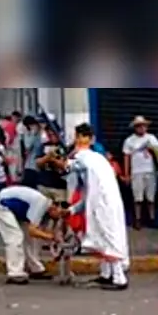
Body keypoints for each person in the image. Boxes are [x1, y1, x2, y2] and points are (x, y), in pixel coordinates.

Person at [63, 123, 131, 290]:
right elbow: (87, 193)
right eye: (78, 136)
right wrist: (71, 210)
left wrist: (60, 159)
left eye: (82, 136)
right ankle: (106, 274)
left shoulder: (87, 157)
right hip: (101, 203)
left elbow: (68, 167)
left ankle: (119, 278)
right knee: (102, 238)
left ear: (90, 139)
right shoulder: (94, 158)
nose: (79, 140)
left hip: (104, 205)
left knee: (109, 238)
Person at [0, 185, 63, 285]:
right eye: (60, 213)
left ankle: (34, 267)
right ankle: (15, 272)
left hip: (16, 209)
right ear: (55, 207)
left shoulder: (46, 209)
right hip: (2, 206)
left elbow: (35, 232)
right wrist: (51, 237)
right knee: (15, 237)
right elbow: (32, 231)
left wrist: (51, 235)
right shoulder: (41, 204)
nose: (59, 217)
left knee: (30, 239)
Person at [122, 115, 158, 228]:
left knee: (151, 197)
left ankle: (152, 218)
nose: (142, 128)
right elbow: (126, 157)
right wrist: (126, 174)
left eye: (143, 126)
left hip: (150, 170)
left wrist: (153, 151)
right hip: (136, 171)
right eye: (139, 126)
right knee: (137, 197)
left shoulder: (152, 138)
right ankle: (138, 219)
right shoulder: (129, 140)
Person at [35, 126, 67, 202]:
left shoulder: (64, 147)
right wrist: (48, 157)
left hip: (59, 187)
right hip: (43, 185)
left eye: (53, 134)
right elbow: (38, 163)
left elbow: (65, 166)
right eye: (49, 134)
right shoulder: (43, 146)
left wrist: (53, 160)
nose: (51, 136)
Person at [19, 115, 43, 187]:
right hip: (30, 165)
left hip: (36, 166)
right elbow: (27, 147)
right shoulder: (32, 134)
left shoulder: (40, 134)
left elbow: (29, 146)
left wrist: (33, 133)